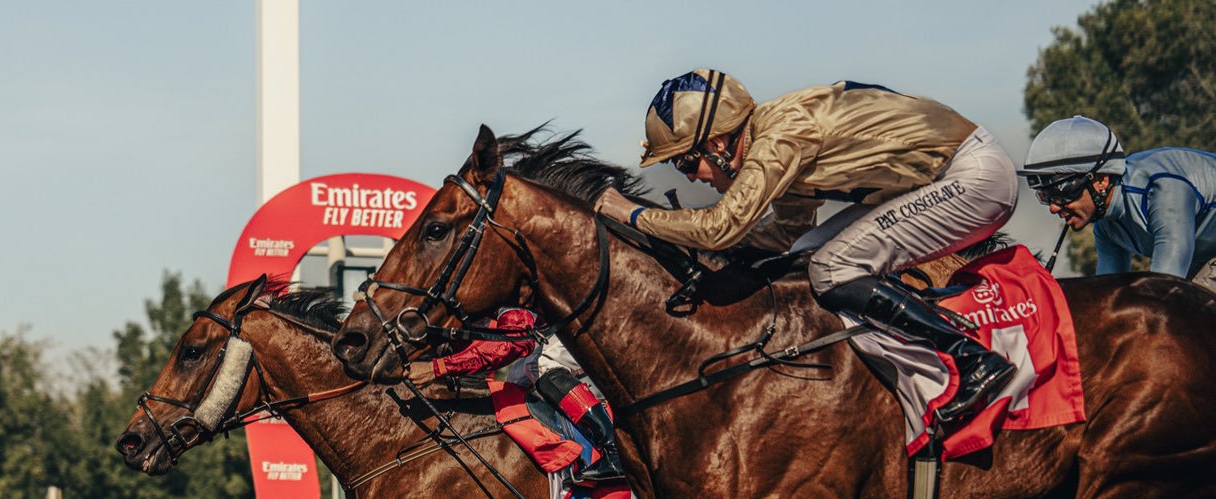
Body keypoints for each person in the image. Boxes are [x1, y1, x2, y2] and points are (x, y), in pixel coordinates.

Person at [595, 69, 1017, 422]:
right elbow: (786, 237)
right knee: (808, 252)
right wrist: (702, 252)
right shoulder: (773, 140)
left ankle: (970, 356)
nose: (688, 177)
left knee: (831, 268)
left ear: (717, 144)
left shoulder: (778, 140)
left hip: (972, 178)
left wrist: (632, 214)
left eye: (686, 162)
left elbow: (720, 227)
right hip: (941, 179)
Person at [406, 307, 625, 483]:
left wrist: (439, 367)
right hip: (551, 335)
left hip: (589, 329)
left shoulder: (504, 297)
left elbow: (509, 346)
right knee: (515, 383)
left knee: (539, 367)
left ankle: (614, 449)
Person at [1019, 115, 1216, 291]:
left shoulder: (1163, 191)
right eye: (1046, 196)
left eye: (1061, 193)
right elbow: (1108, 295)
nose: (1054, 207)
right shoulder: (1106, 227)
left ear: (1101, 180)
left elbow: (1162, 290)